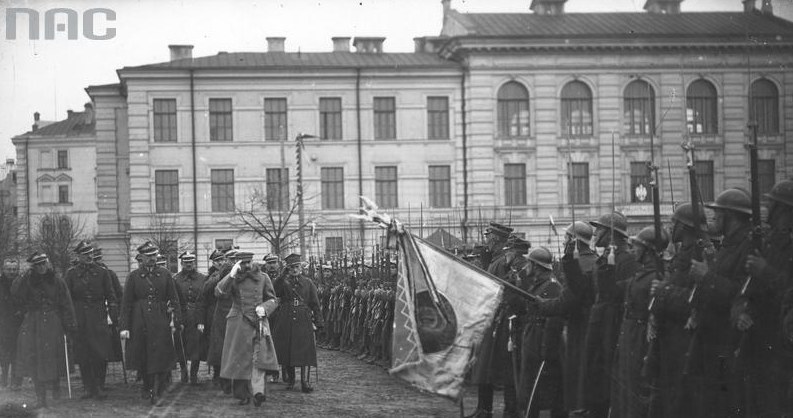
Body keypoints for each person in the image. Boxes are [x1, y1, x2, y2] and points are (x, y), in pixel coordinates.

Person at [689, 188, 754, 417]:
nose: (714, 217)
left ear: (731, 216)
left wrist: (707, 276)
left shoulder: (747, 246)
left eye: (719, 212)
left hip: (726, 341)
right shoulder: (728, 245)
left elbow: (740, 293)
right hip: (712, 341)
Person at [649, 202, 709, 418]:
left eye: (674, 223)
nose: (671, 227)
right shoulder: (681, 255)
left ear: (684, 226)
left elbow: (693, 300)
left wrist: (664, 292)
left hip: (684, 342)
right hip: (670, 341)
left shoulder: (698, 255)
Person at [580, 212, 639, 418]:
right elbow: (587, 288)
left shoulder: (627, 258)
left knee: (609, 373)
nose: (595, 233)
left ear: (611, 233)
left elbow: (624, 293)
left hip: (613, 322)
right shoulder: (604, 258)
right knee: (595, 370)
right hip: (599, 320)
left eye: (600, 229)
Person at [742, 179, 793, 416]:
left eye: (772, 205)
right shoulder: (771, 242)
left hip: (782, 341)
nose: (768, 209)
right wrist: (744, 310)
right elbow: (749, 291)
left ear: (784, 210)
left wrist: (765, 271)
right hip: (761, 336)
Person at [610, 226, 668, 417]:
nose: (633, 249)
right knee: (627, 387)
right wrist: (608, 267)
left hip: (641, 338)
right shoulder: (641, 274)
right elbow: (611, 291)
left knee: (637, 389)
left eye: (637, 246)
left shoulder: (656, 276)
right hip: (630, 335)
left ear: (648, 250)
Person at [468, 222, 522, 418]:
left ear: (496, 240)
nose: (486, 242)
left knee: (501, 368)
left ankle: (504, 409)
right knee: (484, 366)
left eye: (488, 238)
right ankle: (484, 408)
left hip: (500, 320)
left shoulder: (503, 262)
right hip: (491, 318)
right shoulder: (495, 261)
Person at [119, 241, 182, 406]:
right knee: (144, 356)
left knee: (160, 356)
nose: (153, 258)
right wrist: (124, 327)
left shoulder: (165, 274)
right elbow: (126, 304)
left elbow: (174, 299)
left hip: (161, 320)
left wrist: (177, 319)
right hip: (139, 321)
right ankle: (147, 386)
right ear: (141, 257)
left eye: (154, 255)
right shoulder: (133, 277)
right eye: (149, 256)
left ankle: (157, 392)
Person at [13, 252, 77, 409]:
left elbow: (66, 303)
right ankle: (40, 395)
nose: (42, 267)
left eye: (44, 263)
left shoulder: (57, 280)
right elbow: (16, 294)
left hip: (53, 322)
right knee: (33, 358)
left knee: (52, 357)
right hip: (33, 323)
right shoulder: (27, 281)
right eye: (38, 265)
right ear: (33, 267)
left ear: (48, 263)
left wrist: (70, 325)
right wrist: (24, 275)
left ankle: (55, 386)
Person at [216, 251, 278, 406]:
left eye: (249, 262)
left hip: (259, 321)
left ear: (253, 261)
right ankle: (242, 394)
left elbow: (273, 299)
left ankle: (258, 392)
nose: (247, 265)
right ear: (237, 263)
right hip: (238, 321)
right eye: (243, 263)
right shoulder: (233, 279)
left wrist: (265, 308)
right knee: (240, 358)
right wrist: (230, 275)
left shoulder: (263, 277)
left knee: (259, 356)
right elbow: (218, 292)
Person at [64, 241, 117, 400]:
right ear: (78, 256)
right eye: (85, 254)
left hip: (98, 316)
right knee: (83, 353)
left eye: (90, 253)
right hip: (79, 317)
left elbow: (111, 296)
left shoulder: (102, 272)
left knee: (100, 352)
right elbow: (66, 299)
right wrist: (69, 319)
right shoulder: (71, 274)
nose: (89, 256)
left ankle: (99, 386)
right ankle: (88, 387)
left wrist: (113, 317)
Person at [518, 246, 564, 418]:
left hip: (541, 340)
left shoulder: (552, 286)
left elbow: (555, 320)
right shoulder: (538, 284)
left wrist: (546, 348)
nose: (526, 267)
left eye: (529, 263)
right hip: (532, 337)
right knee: (529, 386)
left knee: (538, 388)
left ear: (536, 266)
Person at [271, 253, 323, 393]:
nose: (294, 269)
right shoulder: (283, 282)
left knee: (304, 350)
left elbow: (315, 303)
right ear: (288, 268)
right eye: (291, 267)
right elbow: (274, 290)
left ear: (301, 267)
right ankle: (292, 380)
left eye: (297, 266)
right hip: (286, 317)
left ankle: (305, 382)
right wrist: (282, 275)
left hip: (303, 317)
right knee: (288, 349)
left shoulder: (308, 282)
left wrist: (319, 322)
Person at [173, 251, 207, 384]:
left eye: (191, 262)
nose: (189, 264)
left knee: (196, 345)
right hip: (181, 315)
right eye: (186, 262)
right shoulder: (175, 279)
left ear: (194, 263)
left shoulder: (202, 279)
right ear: (181, 263)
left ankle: (194, 374)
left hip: (196, 315)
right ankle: (183, 372)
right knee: (180, 344)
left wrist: (201, 321)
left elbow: (204, 301)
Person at [93, 248, 124, 391]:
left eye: (98, 259)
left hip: (108, 317)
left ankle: (102, 380)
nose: (96, 262)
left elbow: (118, 295)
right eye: (94, 259)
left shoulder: (109, 274)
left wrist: (115, 312)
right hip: (92, 316)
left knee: (106, 349)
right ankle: (93, 381)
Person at [196, 249, 225, 387]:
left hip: (228, 312)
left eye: (223, 260)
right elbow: (202, 299)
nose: (221, 262)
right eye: (218, 261)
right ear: (213, 263)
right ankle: (217, 374)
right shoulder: (210, 277)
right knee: (216, 345)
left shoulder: (232, 273)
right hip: (213, 314)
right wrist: (201, 321)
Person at [0, 258, 23, 389]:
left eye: (14, 269)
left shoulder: (21, 283)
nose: (12, 272)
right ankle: (3, 379)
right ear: (3, 269)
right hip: (2, 323)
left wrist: (21, 311)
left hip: (18, 323)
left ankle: (16, 381)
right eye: (9, 269)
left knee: (17, 353)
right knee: (3, 353)